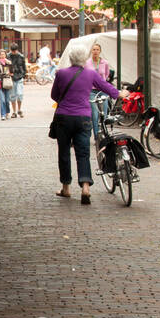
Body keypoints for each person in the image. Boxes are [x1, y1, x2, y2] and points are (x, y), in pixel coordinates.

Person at [51, 44, 118, 205]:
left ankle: (66, 188)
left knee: (64, 153)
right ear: (84, 58)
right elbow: (106, 86)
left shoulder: (61, 74)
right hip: (83, 117)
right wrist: (119, 93)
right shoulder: (91, 74)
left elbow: (54, 95)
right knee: (83, 153)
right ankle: (86, 187)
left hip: (64, 118)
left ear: (71, 58)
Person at [8, 44, 28, 118]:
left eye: (14, 51)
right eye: (12, 51)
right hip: (12, 77)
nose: (13, 52)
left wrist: (23, 75)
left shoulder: (21, 56)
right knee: (12, 95)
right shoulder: (8, 56)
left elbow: (24, 66)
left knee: (20, 94)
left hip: (19, 77)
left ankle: (19, 109)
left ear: (17, 50)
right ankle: (14, 111)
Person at [0, 52, 11, 120]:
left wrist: (9, 63)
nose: (2, 56)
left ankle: (7, 112)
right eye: (1, 54)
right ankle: (3, 114)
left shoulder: (8, 63)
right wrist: (2, 74)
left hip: (7, 82)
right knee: (2, 100)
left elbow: (12, 71)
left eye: (4, 54)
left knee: (7, 100)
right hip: (0, 82)